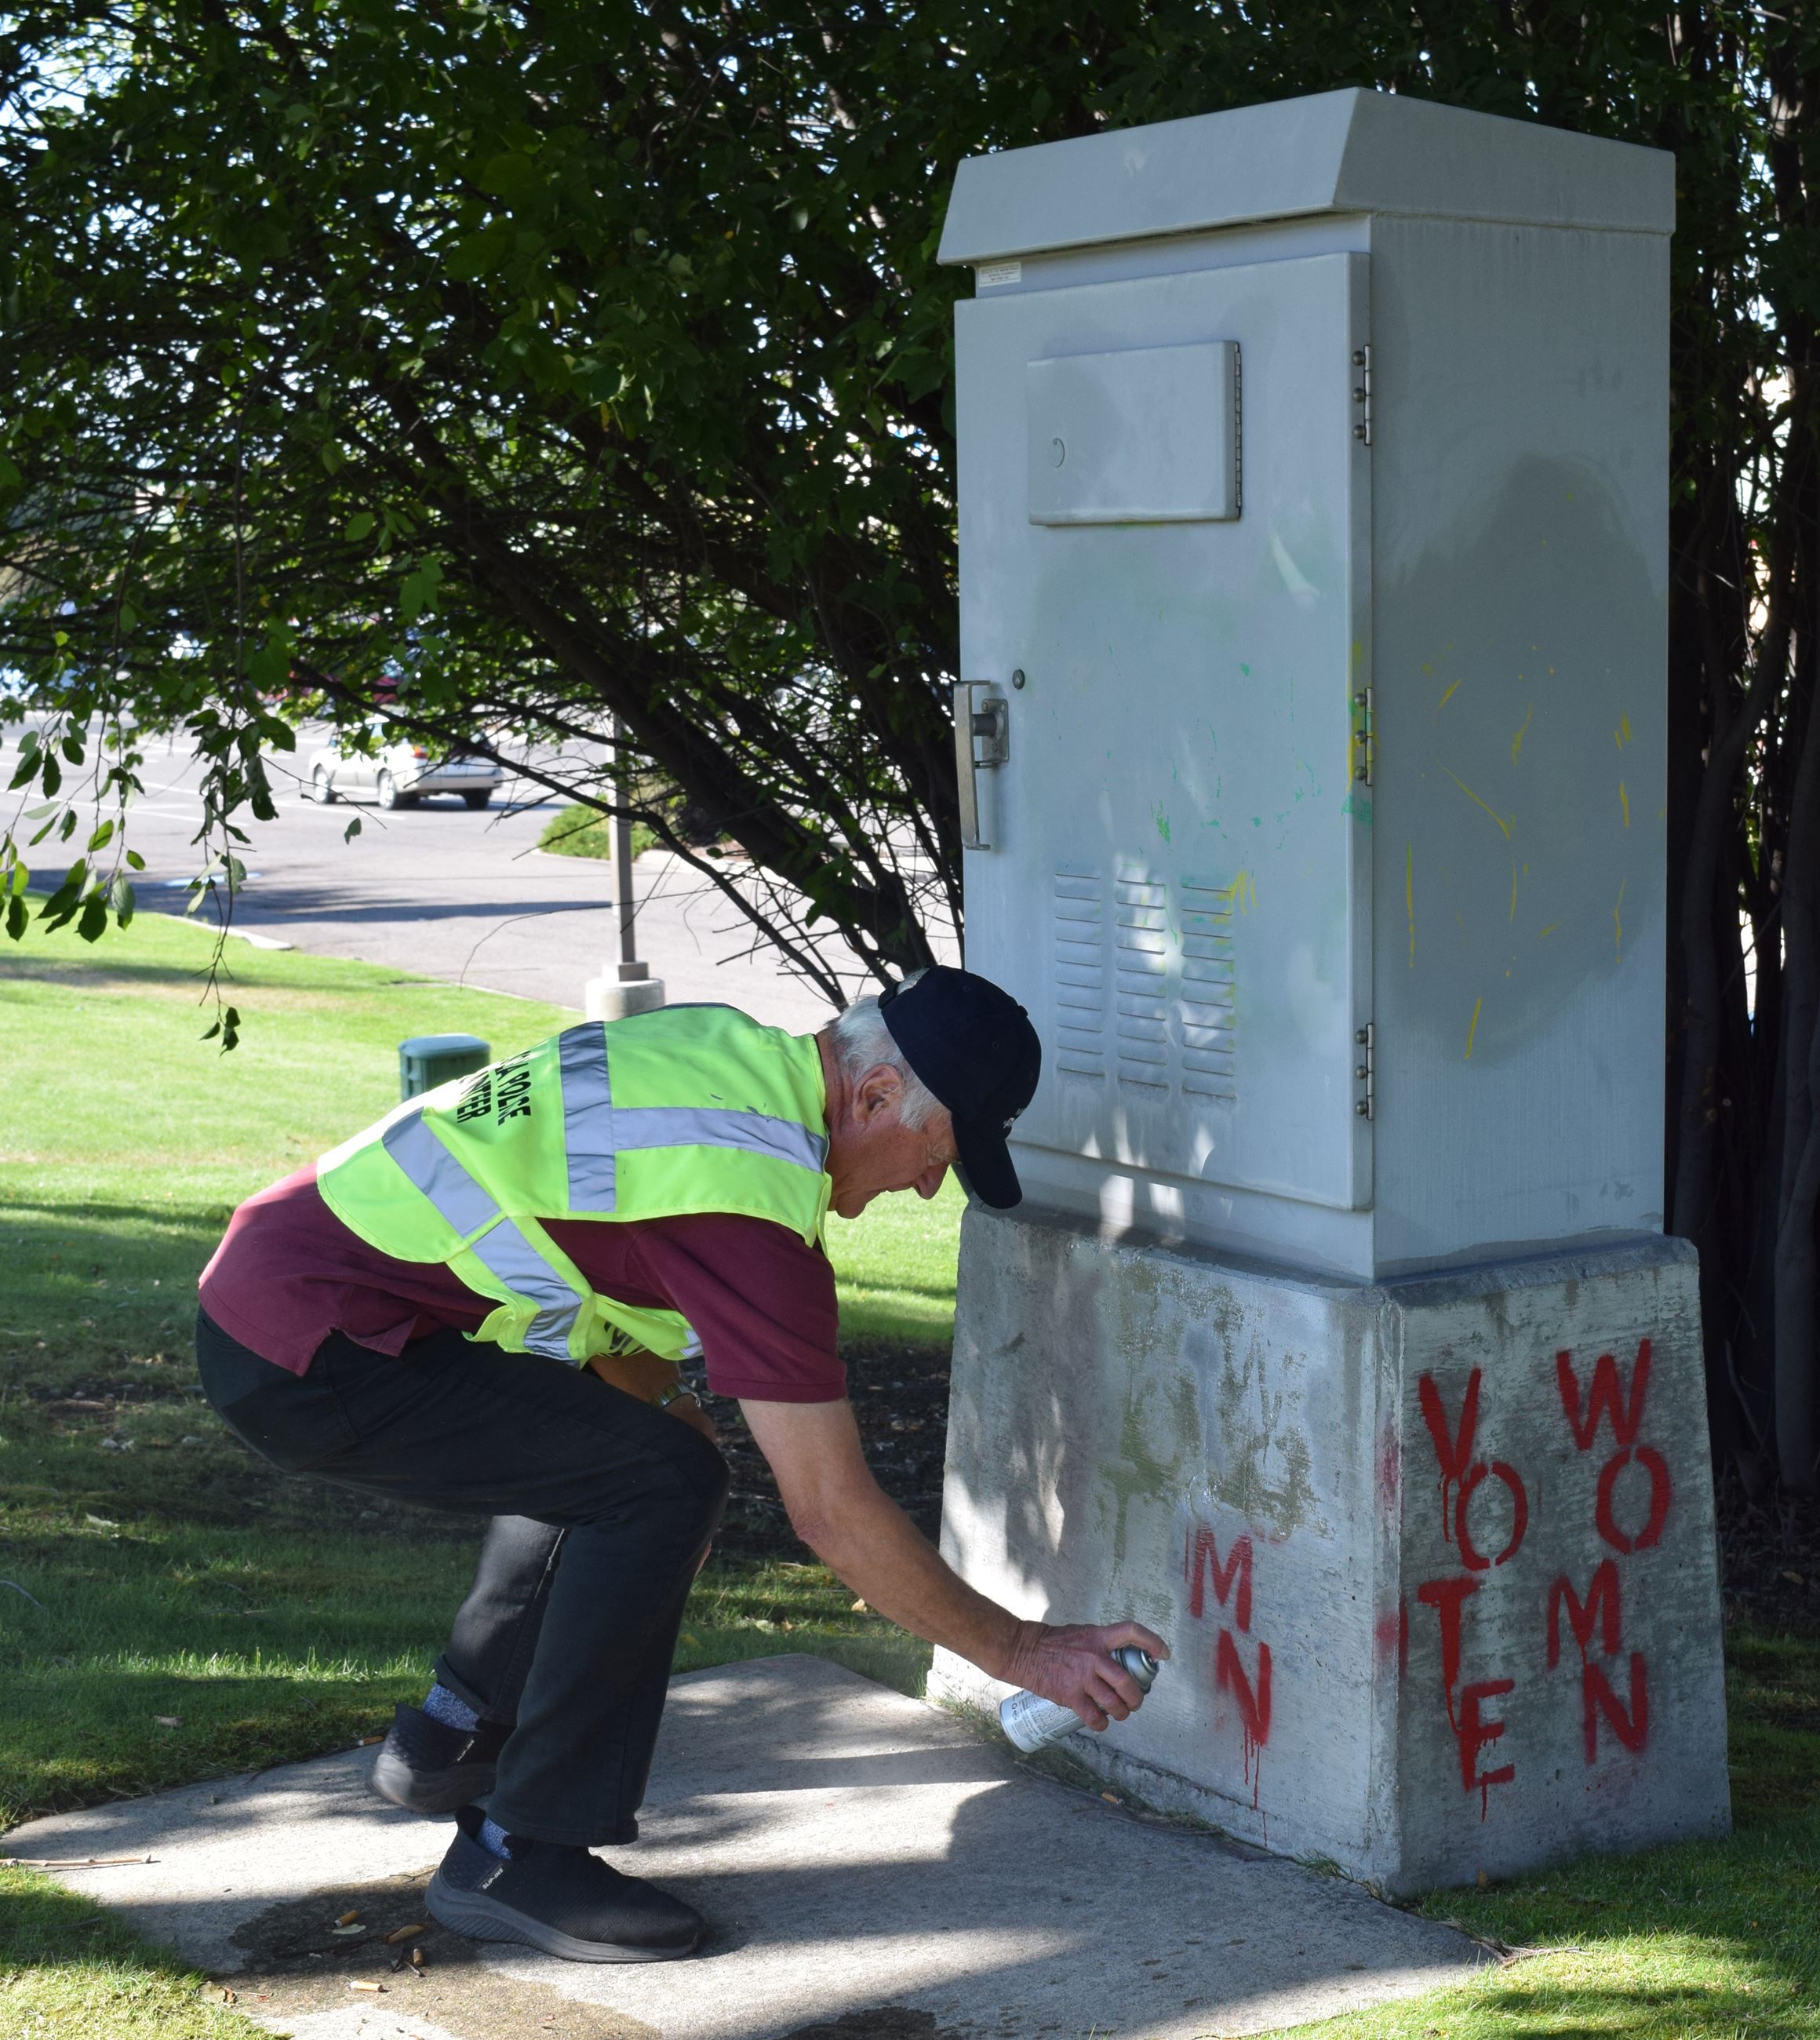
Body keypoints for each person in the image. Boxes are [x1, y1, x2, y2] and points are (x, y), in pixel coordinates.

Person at [195, 965, 1168, 1964]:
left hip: (291, 1276)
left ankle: (451, 1738)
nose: (925, 1185)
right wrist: (1023, 1651)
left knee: (638, 1460)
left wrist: (666, 1402)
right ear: (876, 1094)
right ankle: (520, 1851)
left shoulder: (725, 1057)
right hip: (318, 1346)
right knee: (659, 1482)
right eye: (937, 1155)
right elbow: (831, 1511)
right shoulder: (751, 1204)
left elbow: (589, 1244)